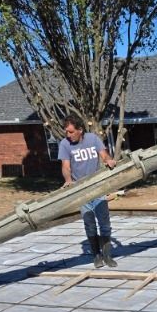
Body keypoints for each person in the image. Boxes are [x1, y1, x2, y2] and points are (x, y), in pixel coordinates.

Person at [58, 114, 117, 268]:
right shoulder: (65, 144)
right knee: (89, 224)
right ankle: (96, 255)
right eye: (67, 132)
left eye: (71, 132)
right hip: (81, 191)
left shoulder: (92, 139)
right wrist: (68, 180)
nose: (68, 135)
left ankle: (107, 255)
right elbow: (65, 166)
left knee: (104, 223)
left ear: (80, 130)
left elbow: (103, 155)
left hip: (98, 188)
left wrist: (109, 160)